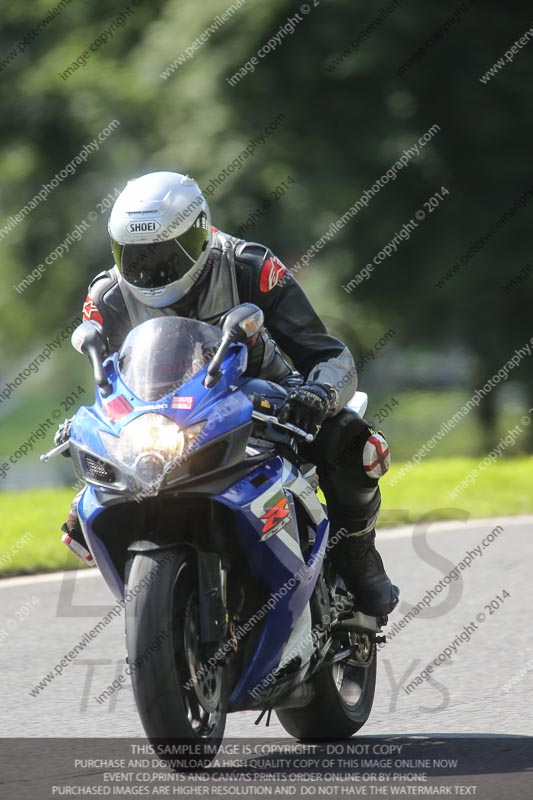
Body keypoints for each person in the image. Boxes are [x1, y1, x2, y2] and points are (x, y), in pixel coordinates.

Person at [57, 171, 398, 617]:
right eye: (134, 256)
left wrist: (317, 394)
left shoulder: (249, 266)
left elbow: (329, 355)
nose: (150, 269)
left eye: (165, 254)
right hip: (161, 423)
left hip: (263, 398)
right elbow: (111, 379)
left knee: (354, 442)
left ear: (199, 234)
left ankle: (356, 551)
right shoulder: (107, 296)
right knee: (82, 517)